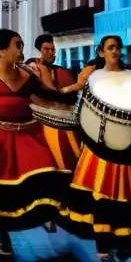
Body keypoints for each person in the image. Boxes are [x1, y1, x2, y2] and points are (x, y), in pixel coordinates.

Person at [56, 35, 131, 262]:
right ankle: (104, 244)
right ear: (101, 52)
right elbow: (81, 105)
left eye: (118, 47)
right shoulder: (92, 77)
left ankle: (127, 242)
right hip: (99, 148)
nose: (115, 51)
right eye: (110, 48)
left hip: (129, 148)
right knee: (102, 199)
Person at [0, 29, 65, 257]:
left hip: (28, 135)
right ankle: (3, 236)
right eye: (17, 45)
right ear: (2, 50)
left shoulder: (28, 76)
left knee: (46, 170)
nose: (21, 50)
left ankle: (44, 213)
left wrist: (81, 92)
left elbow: (52, 95)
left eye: (21, 45)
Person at [30, 34, 81, 174]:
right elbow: (43, 92)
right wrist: (67, 91)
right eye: (47, 49)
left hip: (66, 120)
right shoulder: (33, 68)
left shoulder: (60, 71)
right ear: (38, 50)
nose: (51, 52)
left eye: (53, 49)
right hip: (45, 122)